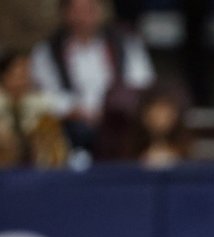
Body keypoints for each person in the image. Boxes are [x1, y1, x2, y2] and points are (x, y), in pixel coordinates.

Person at [29, 0, 155, 162]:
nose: (84, 16)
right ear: (65, 13)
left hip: (118, 119)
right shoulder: (47, 51)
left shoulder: (125, 42)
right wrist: (75, 110)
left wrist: (110, 108)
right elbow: (43, 93)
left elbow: (142, 82)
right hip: (72, 124)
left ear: (100, 11)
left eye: (90, 9)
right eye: (77, 10)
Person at [0, 50, 68, 169]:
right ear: (4, 76)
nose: (24, 81)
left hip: (34, 174)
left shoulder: (40, 105)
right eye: (19, 76)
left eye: (27, 75)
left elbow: (56, 152)